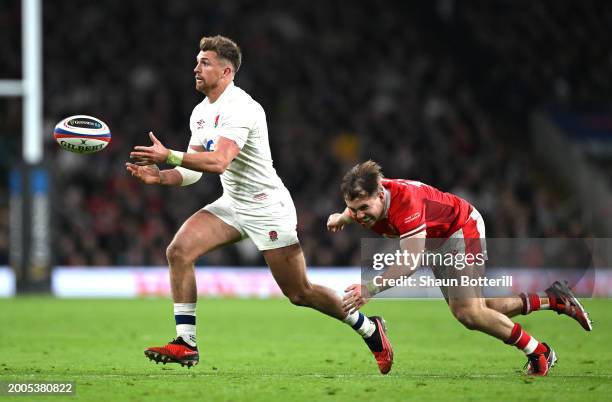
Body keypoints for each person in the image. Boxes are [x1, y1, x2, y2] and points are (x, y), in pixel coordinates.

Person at [126, 36, 393, 373]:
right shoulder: (200, 113)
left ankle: (370, 329)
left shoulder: (242, 108)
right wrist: (161, 176)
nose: (195, 68)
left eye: (204, 62)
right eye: (196, 61)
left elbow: (219, 161)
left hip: (267, 207)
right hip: (233, 204)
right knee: (178, 251)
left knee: (300, 293)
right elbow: (192, 172)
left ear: (225, 72)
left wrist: (170, 155)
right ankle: (186, 343)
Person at [327, 160, 592, 376]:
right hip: (439, 242)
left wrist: (370, 289)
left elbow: (410, 262)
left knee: (469, 312)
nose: (360, 215)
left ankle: (539, 352)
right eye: (354, 209)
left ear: (381, 193)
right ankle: (555, 300)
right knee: (472, 310)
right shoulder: (369, 198)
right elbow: (355, 208)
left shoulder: (406, 202)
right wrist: (342, 217)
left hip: (460, 229)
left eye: (364, 208)